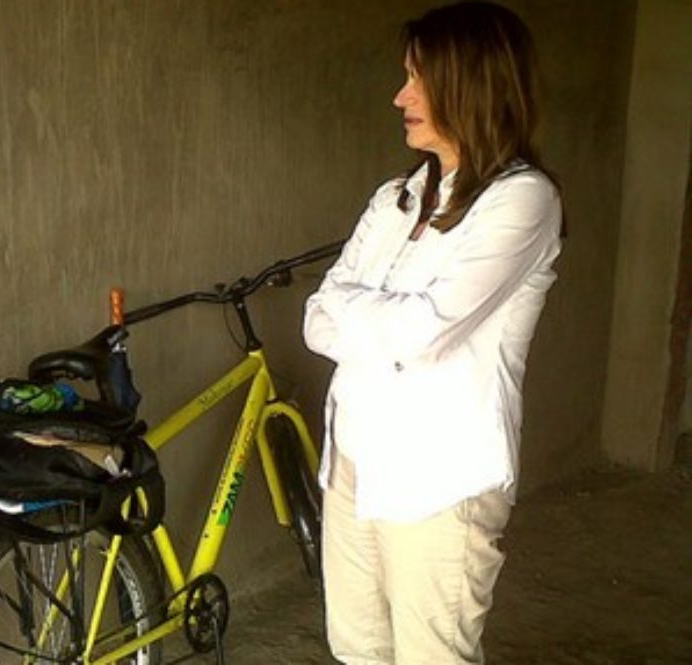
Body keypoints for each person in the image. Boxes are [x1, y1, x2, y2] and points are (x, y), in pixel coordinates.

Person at [302, 2, 563, 663]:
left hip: (441, 480)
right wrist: (387, 315)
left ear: (469, 85)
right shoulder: (397, 197)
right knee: (358, 649)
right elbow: (315, 318)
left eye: (417, 78)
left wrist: (365, 310)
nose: (400, 97)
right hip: (353, 465)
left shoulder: (523, 201)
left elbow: (423, 332)